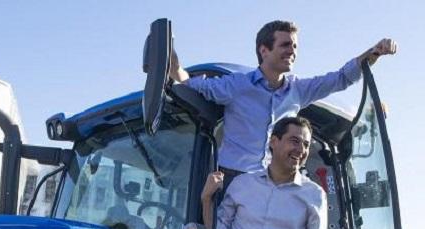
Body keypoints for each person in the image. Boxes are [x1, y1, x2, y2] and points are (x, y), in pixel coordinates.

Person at [170, 20, 397, 185]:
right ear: (264, 50)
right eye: (285, 45)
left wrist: (374, 53)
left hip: (274, 184)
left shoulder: (298, 89)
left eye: (295, 46)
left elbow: (340, 78)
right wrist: (169, 60)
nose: (292, 51)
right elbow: (191, 83)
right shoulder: (236, 85)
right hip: (234, 181)